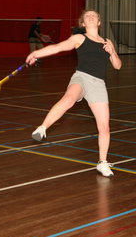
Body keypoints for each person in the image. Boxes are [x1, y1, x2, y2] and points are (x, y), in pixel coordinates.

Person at [26, 10, 122, 177]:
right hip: (82, 77)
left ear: (99, 22)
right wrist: (36, 53)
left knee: (104, 127)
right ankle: (42, 128)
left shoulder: (107, 42)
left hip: (98, 84)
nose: (91, 17)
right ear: (83, 23)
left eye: (94, 15)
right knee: (69, 98)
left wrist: (112, 51)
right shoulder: (79, 38)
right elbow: (58, 47)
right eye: (87, 16)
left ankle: (102, 162)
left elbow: (118, 66)